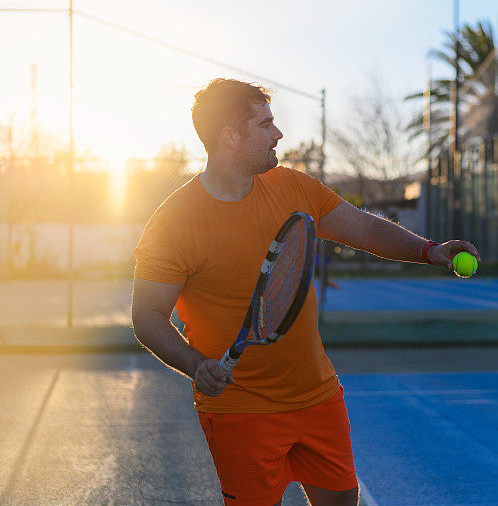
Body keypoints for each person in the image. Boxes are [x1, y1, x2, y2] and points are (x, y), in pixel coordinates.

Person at [131, 78, 480, 506]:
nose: (278, 134)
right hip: (240, 410)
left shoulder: (293, 187)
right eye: (266, 124)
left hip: (318, 397)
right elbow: (147, 316)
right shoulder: (173, 224)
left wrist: (429, 250)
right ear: (230, 136)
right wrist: (195, 364)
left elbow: (366, 228)